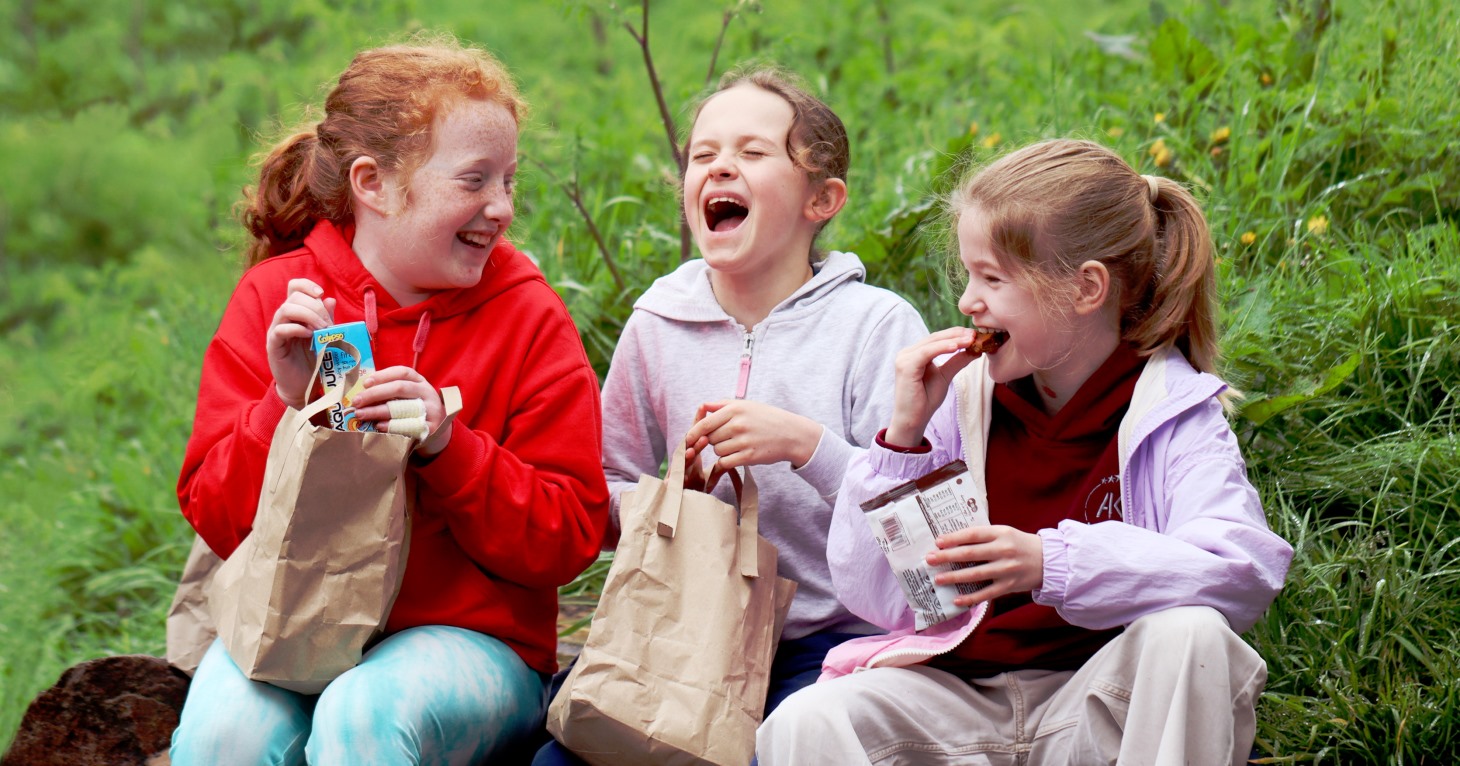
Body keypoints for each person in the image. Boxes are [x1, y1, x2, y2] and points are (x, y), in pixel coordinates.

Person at [757, 139, 1295, 765]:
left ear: (1086, 288)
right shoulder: (963, 402)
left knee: (1194, 634)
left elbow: (1241, 571)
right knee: (806, 721)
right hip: (962, 702)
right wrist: (902, 441)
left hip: (1099, 704)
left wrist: (1050, 562)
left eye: (992, 278)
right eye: (967, 274)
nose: (967, 302)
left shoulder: (1174, 413)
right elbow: (889, 598)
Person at [170, 34, 610, 765]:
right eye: (474, 181)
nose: (500, 208)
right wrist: (285, 404)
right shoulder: (279, 300)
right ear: (372, 184)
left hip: (472, 641)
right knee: (225, 734)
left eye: (509, 180)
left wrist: (449, 446)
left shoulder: (528, 316)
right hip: (292, 622)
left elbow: (568, 538)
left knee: (364, 711)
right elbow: (217, 519)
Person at [533, 67, 928, 764]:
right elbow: (597, 489)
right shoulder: (658, 322)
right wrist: (669, 500)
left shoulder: (876, 327)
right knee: (557, 758)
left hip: (832, 641)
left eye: (751, 153)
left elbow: (920, 530)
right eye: (703, 155)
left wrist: (811, 449)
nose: (720, 167)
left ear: (821, 199)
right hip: (685, 629)